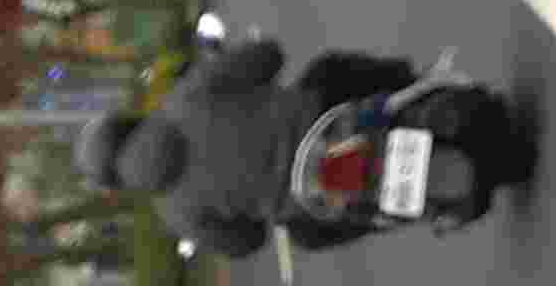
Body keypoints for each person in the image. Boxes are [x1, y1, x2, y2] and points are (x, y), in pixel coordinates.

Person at [88, 32, 429, 258]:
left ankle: (406, 212)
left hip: (311, 197)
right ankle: (419, 85)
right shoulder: (184, 97)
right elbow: (270, 55)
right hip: (322, 114)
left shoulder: (177, 215)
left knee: (309, 235)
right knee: (328, 69)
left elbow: (247, 242)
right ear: (128, 123)